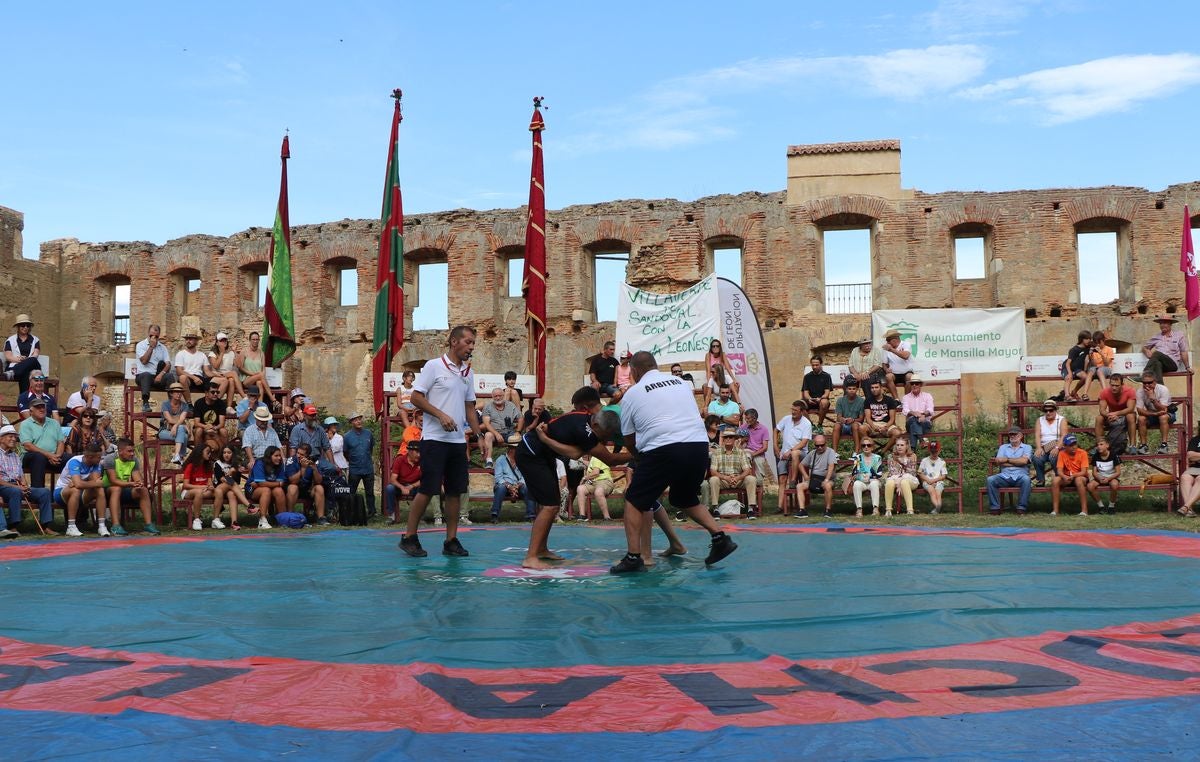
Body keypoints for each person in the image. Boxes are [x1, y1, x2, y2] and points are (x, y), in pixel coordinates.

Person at [609, 352, 737, 573]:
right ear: (655, 366)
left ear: (635, 371)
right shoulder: (680, 382)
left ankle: (633, 558)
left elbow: (628, 437)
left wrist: (637, 456)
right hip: (698, 445)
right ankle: (720, 538)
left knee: (634, 500)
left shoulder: (633, 393)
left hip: (664, 447)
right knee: (683, 498)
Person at [519, 386, 632, 568]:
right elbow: (606, 458)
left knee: (552, 503)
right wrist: (637, 455)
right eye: (605, 436)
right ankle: (530, 557)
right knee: (550, 505)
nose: (605, 440)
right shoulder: (587, 434)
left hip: (541, 453)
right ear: (596, 425)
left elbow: (572, 448)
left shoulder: (582, 418)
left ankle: (541, 549)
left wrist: (547, 439)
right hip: (531, 454)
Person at [398, 325, 483, 558]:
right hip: (435, 439)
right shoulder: (433, 366)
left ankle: (451, 540)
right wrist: (440, 415)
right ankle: (409, 537)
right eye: (468, 342)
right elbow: (416, 397)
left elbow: (469, 407)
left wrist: (479, 434)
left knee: (456, 490)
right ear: (454, 342)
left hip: (457, 441)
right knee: (428, 489)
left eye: (474, 343)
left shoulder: (468, 373)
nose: (471, 347)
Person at [0, 424, 53, 537]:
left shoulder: (15, 455)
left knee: (44, 492)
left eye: (15, 437)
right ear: (1, 438)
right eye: (10, 436)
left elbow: (21, 475)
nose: (14, 439)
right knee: (15, 492)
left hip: (17, 486)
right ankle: (13, 526)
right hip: (4, 487)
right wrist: (18, 488)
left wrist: (24, 484)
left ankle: (45, 526)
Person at [102, 437, 159, 535]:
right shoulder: (110, 459)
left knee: (143, 490)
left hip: (123, 489)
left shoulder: (134, 460)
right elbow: (113, 481)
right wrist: (131, 484)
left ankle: (148, 525)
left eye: (133, 451)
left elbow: (137, 478)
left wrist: (139, 483)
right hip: (107, 490)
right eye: (129, 451)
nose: (132, 453)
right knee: (116, 489)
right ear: (120, 451)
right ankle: (115, 526)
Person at [55, 445, 108, 537]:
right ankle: (71, 527)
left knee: (99, 489)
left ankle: (102, 526)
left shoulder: (96, 464)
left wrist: (81, 483)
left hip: (82, 492)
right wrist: (81, 483)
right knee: (75, 489)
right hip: (62, 493)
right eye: (99, 457)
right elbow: (80, 485)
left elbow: (96, 482)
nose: (101, 459)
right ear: (90, 457)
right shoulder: (75, 461)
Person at [705, 428, 759, 517]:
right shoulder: (717, 452)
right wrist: (726, 477)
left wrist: (737, 478)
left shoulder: (741, 452)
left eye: (730, 437)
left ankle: (751, 509)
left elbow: (747, 470)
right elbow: (713, 471)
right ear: (723, 439)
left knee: (751, 478)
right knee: (713, 479)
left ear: (734, 439)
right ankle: (715, 508)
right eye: (726, 437)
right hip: (723, 479)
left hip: (738, 479)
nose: (728, 439)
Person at [987, 427, 1033, 515]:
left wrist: (1007, 459)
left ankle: (1021, 508)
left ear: (1020, 436)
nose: (1012, 436)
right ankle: (995, 508)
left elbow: (1024, 461)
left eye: (1015, 434)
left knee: (1026, 480)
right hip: (1005, 476)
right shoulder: (1003, 447)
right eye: (1011, 434)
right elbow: (998, 461)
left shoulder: (1027, 447)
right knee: (990, 480)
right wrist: (1017, 462)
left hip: (1020, 476)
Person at [19, 398, 64, 488]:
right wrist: (49, 455)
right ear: (31, 411)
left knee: (71, 459)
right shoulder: (25, 424)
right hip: (31, 457)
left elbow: (61, 442)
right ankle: (38, 493)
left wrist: (57, 456)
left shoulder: (54, 423)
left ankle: (65, 494)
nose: (42, 409)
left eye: (43, 407)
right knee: (38, 457)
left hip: (53, 456)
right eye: (38, 407)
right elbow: (28, 446)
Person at [134, 324, 176, 413]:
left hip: (157, 376)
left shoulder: (162, 348)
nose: (154, 338)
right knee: (146, 374)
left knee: (170, 376)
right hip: (143, 377)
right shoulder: (140, 345)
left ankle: (173, 403)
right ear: (148, 333)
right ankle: (145, 403)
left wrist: (161, 374)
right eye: (151, 335)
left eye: (156, 336)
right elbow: (144, 361)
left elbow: (168, 364)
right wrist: (151, 347)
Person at [491, 441, 537, 522]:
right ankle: (494, 514)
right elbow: (498, 478)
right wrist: (509, 486)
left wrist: (517, 486)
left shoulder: (523, 459)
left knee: (527, 488)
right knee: (501, 488)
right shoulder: (500, 460)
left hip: (518, 486)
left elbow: (525, 476)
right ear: (511, 449)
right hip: (504, 486)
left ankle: (531, 515)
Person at [342, 412, 376, 518]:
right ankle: (351, 511)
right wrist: (352, 460)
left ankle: (372, 512)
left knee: (370, 492)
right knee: (351, 491)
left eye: (360, 419)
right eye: (356, 420)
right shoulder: (347, 437)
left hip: (368, 467)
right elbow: (345, 452)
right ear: (351, 422)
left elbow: (370, 449)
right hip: (354, 468)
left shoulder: (368, 433)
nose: (359, 421)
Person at [796, 432, 839, 518]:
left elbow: (831, 466)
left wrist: (826, 479)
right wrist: (805, 476)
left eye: (822, 445)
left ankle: (828, 510)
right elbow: (801, 465)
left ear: (825, 443)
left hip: (827, 479)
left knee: (827, 485)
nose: (819, 447)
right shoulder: (812, 453)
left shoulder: (830, 452)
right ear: (814, 445)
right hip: (814, 479)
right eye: (817, 445)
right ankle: (802, 510)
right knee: (799, 486)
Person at [284, 442, 328, 525]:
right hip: (293, 489)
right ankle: (290, 516)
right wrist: (303, 469)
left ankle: (321, 518)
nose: (298, 456)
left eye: (302, 454)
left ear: (307, 456)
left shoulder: (313, 461)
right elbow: (293, 480)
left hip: (307, 489)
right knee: (293, 487)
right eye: (298, 453)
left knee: (319, 488)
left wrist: (314, 469)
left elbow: (319, 481)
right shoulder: (291, 460)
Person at [245, 445, 286, 529]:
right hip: (252, 490)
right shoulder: (259, 463)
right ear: (269, 456)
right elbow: (262, 484)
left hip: (268, 488)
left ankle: (282, 520)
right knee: (266, 490)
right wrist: (277, 484)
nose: (279, 458)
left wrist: (273, 484)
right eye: (276, 456)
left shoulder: (280, 465)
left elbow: (281, 483)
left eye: (279, 456)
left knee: (279, 490)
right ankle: (262, 521)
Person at [1135, 370, 1175, 455]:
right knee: (1141, 418)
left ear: (1155, 382)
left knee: (1162, 417)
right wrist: (1153, 414)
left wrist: (1153, 399)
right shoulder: (1140, 391)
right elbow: (1139, 410)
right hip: (1152, 414)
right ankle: (1143, 445)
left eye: (1149, 382)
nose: (1146, 385)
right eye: (1144, 383)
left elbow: (1163, 409)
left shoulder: (1163, 389)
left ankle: (1164, 444)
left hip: (1167, 413)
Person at [776, 401, 813, 491]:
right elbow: (776, 430)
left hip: (801, 454)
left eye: (795, 410)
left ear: (802, 411)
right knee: (782, 478)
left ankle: (793, 480)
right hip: (785, 453)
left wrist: (790, 451)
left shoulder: (806, 423)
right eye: (792, 409)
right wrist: (775, 447)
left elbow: (803, 443)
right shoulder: (786, 419)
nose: (793, 412)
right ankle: (781, 504)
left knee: (795, 453)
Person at [1142, 314, 1190, 383]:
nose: (1162, 325)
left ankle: (1144, 375)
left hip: (1172, 364)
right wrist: (1146, 350)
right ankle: (1161, 389)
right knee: (1157, 364)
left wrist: (1187, 367)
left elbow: (1183, 351)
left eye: (1165, 323)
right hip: (1161, 365)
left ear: (1170, 324)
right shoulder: (1156, 336)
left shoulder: (1179, 335)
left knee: (1156, 353)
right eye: (1161, 323)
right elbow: (1144, 347)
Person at [212, 444, 251, 529]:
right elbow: (222, 479)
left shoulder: (236, 465)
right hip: (219, 489)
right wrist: (230, 472)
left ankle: (234, 522)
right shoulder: (218, 464)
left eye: (229, 452)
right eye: (224, 452)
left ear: (233, 454)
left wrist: (235, 470)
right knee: (231, 483)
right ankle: (248, 505)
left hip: (230, 489)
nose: (226, 454)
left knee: (232, 494)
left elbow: (237, 481)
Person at [1094, 373, 1135, 451]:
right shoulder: (1104, 392)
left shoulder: (1130, 391)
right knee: (1099, 418)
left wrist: (1116, 413)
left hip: (1125, 416)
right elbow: (1102, 410)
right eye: (1112, 385)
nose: (1114, 388)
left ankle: (1132, 446)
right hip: (1111, 416)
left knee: (1131, 416)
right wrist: (1109, 415)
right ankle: (1099, 445)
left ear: (1122, 384)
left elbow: (1131, 408)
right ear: (1109, 384)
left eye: (1117, 386)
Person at [480, 388, 521, 467]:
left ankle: (514, 461)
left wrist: (518, 431)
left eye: (500, 395)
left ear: (503, 396)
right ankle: (489, 461)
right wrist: (497, 434)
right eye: (495, 396)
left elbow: (521, 418)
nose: (498, 398)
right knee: (488, 435)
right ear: (492, 396)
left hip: (509, 432)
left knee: (517, 438)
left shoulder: (510, 405)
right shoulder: (488, 407)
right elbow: (487, 424)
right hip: (494, 433)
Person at [1051, 434, 1090, 516]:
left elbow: (1084, 472)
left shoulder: (1083, 453)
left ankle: (1084, 510)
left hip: (1080, 476)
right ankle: (1055, 510)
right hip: (1067, 477)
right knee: (1055, 480)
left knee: (1078, 480)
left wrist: (1074, 476)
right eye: (1070, 445)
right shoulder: (1061, 453)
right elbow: (1059, 471)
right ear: (1065, 446)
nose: (1074, 447)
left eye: (1075, 444)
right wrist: (1064, 476)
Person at [290, 404, 336, 472]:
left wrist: (333, 465)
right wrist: (292, 465)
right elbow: (293, 449)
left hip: (317, 460)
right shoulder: (297, 429)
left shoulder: (320, 430)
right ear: (305, 415)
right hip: (302, 460)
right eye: (311, 415)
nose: (313, 417)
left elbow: (327, 448)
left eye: (314, 415)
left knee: (331, 468)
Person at [1032, 399, 1067, 486]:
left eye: (1051, 410)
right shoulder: (1039, 420)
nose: (1048, 412)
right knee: (1036, 457)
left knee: (1053, 456)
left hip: (1058, 446)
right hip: (1045, 447)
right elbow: (1037, 435)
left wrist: (1057, 448)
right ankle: (1041, 479)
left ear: (1055, 410)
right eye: (1046, 410)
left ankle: (1058, 477)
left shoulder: (1062, 420)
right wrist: (1039, 448)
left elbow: (1064, 436)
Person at [181, 444, 217, 530]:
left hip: (203, 491)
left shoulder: (208, 466)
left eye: (210, 453)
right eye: (207, 452)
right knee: (198, 492)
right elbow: (186, 485)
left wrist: (211, 486)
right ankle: (196, 520)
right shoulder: (191, 466)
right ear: (200, 453)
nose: (209, 454)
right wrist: (201, 487)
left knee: (218, 491)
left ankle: (216, 519)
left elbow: (209, 482)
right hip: (188, 492)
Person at [4, 315, 42, 393]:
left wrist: (25, 360)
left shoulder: (35, 340)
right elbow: (8, 357)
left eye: (27, 325)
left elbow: (35, 355)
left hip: (33, 366)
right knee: (25, 372)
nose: (25, 327)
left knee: (33, 360)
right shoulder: (10, 340)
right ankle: (24, 401)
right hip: (20, 367)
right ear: (18, 326)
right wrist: (19, 359)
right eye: (22, 325)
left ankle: (13, 372)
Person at [863, 380, 902, 453]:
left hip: (886, 424)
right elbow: (868, 418)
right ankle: (871, 449)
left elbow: (892, 418)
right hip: (872, 424)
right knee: (861, 428)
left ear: (881, 388)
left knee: (897, 433)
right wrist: (873, 426)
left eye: (876, 387)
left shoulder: (889, 400)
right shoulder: (867, 400)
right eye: (872, 388)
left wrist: (886, 427)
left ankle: (883, 451)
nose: (874, 389)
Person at [883, 439, 920, 516]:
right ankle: (888, 510)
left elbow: (911, 472)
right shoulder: (891, 457)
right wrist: (898, 482)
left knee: (904, 482)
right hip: (895, 479)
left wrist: (900, 482)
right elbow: (892, 472)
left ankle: (910, 510)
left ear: (907, 446)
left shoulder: (912, 456)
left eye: (902, 445)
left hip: (910, 479)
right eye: (897, 445)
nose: (899, 447)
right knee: (889, 482)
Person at [847, 438, 883, 518]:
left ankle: (876, 509)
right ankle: (859, 509)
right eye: (864, 445)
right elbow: (855, 473)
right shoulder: (858, 457)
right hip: (862, 481)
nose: (866, 447)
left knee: (874, 484)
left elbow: (879, 474)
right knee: (856, 484)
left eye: (868, 445)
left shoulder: (877, 458)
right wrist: (861, 477)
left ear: (872, 447)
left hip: (873, 481)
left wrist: (869, 476)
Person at [575, 455, 616, 521]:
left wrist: (584, 478)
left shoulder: (597, 457)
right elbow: (590, 464)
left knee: (598, 492)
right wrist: (581, 460)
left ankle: (607, 517)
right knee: (580, 488)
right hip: (593, 483)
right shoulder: (593, 459)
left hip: (605, 481)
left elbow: (596, 473)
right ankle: (582, 516)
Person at [159, 382, 191, 466]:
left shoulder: (184, 405)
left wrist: (176, 425)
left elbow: (182, 418)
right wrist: (182, 424)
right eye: (176, 392)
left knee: (181, 430)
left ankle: (176, 456)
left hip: (177, 432)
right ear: (171, 393)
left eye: (180, 392)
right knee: (184, 435)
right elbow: (169, 420)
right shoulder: (165, 404)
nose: (179, 394)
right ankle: (180, 456)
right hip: (165, 431)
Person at [190, 381, 228, 451]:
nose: (216, 394)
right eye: (213, 392)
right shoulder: (199, 403)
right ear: (206, 393)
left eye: (217, 392)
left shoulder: (221, 403)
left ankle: (224, 454)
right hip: (202, 428)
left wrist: (214, 428)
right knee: (198, 430)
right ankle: (197, 454)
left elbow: (222, 423)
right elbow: (196, 423)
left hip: (215, 429)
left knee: (224, 431)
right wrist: (207, 427)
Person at [1087, 437, 1121, 515]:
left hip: (1112, 476)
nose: (1099, 446)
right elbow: (1094, 472)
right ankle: (1101, 506)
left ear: (1107, 445)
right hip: (1100, 477)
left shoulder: (1114, 455)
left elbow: (1118, 472)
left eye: (1101, 444)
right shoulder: (1095, 456)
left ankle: (1111, 506)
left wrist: (1108, 479)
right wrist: (1099, 478)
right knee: (1089, 486)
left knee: (1114, 485)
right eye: (1097, 445)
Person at [901, 375, 935, 452]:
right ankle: (921, 440)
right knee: (913, 420)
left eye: (916, 383)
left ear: (920, 385)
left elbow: (930, 409)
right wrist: (914, 413)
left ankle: (913, 449)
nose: (914, 385)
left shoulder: (927, 396)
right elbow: (905, 410)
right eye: (912, 383)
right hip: (910, 423)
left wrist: (923, 415)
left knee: (914, 424)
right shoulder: (906, 397)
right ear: (910, 385)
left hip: (924, 423)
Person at [1058, 330, 1094, 402]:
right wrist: (1070, 373)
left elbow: (1088, 359)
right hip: (1068, 367)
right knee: (1069, 378)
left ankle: (1074, 392)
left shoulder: (1088, 348)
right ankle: (1067, 396)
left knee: (1086, 377)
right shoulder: (1074, 350)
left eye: (1089, 339)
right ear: (1081, 339)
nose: (1088, 340)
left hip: (1077, 369)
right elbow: (1068, 363)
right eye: (1086, 339)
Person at [242, 405, 281, 471]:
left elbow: (279, 446)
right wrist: (251, 459)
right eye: (261, 420)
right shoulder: (249, 430)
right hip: (257, 458)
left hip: (271, 459)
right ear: (256, 419)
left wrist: (283, 458)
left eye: (265, 420)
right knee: (254, 465)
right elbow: (247, 446)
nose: (264, 422)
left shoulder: (272, 431)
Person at [235, 331, 271, 401]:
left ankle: (260, 408)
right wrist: (253, 374)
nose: (255, 341)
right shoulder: (244, 351)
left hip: (258, 379)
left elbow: (263, 369)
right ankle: (272, 398)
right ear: (249, 340)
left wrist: (260, 375)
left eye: (257, 339)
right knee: (260, 376)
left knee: (259, 383)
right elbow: (241, 368)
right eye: (253, 339)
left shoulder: (261, 353)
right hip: (247, 380)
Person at [173, 332, 209, 402]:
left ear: (196, 341)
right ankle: (189, 404)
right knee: (182, 377)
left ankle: (213, 404)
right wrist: (193, 377)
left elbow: (207, 372)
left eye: (190, 339)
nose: (188, 341)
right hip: (188, 378)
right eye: (186, 339)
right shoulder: (181, 354)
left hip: (200, 378)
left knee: (223, 380)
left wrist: (218, 375)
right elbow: (179, 371)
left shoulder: (202, 355)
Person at [800, 356, 834, 429]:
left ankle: (819, 425)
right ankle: (811, 425)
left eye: (816, 365)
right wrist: (809, 399)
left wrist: (820, 398)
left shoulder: (826, 376)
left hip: (821, 400)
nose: (814, 367)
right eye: (813, 365)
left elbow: (827, 393)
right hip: (810, 401)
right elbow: (805, 392)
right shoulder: (807, 377)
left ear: (821, 364)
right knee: (799, 404)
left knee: (824, 402)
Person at [832, 381, 865, 453]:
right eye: (849, 389)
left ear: (856, 390)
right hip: (844, 424)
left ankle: (856, 452)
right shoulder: (840, 400)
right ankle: (834, 453)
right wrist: (843, 419)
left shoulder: (861, 401)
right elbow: (838, 417)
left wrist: (853, 420)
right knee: (836, 426)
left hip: (855, 424)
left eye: (854, 389)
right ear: (846, 389)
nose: (852, 390)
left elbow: (861, 419)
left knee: (855, 425)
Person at [881, 329, 914, 398]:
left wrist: (892, 350)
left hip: (906, 372)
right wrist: (886, 369)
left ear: (895, 339)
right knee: (888, 376)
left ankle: (906, 399)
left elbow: (905, 356)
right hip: (894, 374)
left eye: (888, 340)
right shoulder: (886, 349)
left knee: (910, 377)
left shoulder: (905, 344)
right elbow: (884, 364)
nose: (887, 342)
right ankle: (896, 399)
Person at [918, 440, 948, 514]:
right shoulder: (924, 461)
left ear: (939, 451)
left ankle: (937, 508)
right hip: (927, 481)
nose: (934, 453)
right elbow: (920, 473)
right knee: (932, 492)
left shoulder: (942, 462)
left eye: (936, 451)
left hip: (938, 481)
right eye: (932, 451)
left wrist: (934, 480)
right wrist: (928, 480)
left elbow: (944, 475)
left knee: (938, 493)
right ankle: (938, 506)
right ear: (929, 451)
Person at [742, 408, 771, 483]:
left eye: (748, 418)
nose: (746, 421)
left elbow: (765, 448)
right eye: (745, 419)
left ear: (754, 418)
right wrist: (743, 440)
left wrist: (753, 454)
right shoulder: (744, 427)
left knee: (760, 480)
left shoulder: (764, 429)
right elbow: (737, 440)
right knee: (746, 455)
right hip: (747, 450)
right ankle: (748, 480)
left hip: (758, 453)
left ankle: (758, 483)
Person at [1178, 430, 1200, 517]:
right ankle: (1189, 510)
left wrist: (1197, 456)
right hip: (1195, 468)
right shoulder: (1195, 440)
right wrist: (1194, 457)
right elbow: (1190, 456)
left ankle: (1186, 507)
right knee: (1185, 477)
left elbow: (1194, 456)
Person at [1086, 330, 1114, 398]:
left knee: (1100, 370)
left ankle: (1105, 393)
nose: (1098, 345)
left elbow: (1107, 364)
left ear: (1103, 340)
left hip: (1107, 369)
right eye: (1096, 343)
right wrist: (1091, 356)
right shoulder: (1094, 350)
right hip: (1097, 369)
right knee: (1091, 370)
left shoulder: (1109, 349)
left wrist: (1101, 353)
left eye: (1099, 342)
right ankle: (1085, 394)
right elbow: (1094, 365)